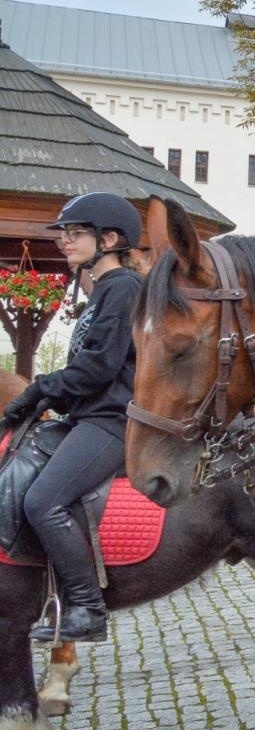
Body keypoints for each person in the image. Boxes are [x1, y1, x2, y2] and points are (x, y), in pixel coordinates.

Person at [2, 193, 144, 641]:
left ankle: (87, 606)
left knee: (43, 501)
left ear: (110, 238)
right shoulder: (104, 289)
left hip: (112, 422)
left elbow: (100, 367)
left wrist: (43, 389)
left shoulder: (123, 287)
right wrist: (47, 398)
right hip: (88, 416)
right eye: (64, 233)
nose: (64, 240)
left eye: (74, 232)